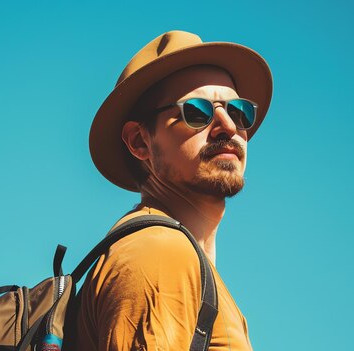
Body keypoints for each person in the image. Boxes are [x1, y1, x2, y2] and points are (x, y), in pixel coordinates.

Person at [74, 30, 273, 351]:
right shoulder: (161, 252)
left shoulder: (185, 263)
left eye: (238, 111)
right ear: (140, 141)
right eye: (197, 111)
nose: (229, 126)